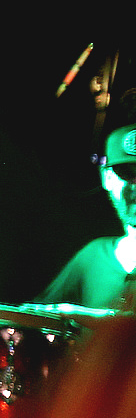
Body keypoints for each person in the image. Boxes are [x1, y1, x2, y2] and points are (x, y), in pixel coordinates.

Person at [33, 122, 136, 311]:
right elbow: (35, 316)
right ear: (107, 178)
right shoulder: (93, 257)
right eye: (126, 173)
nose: (135, 185)